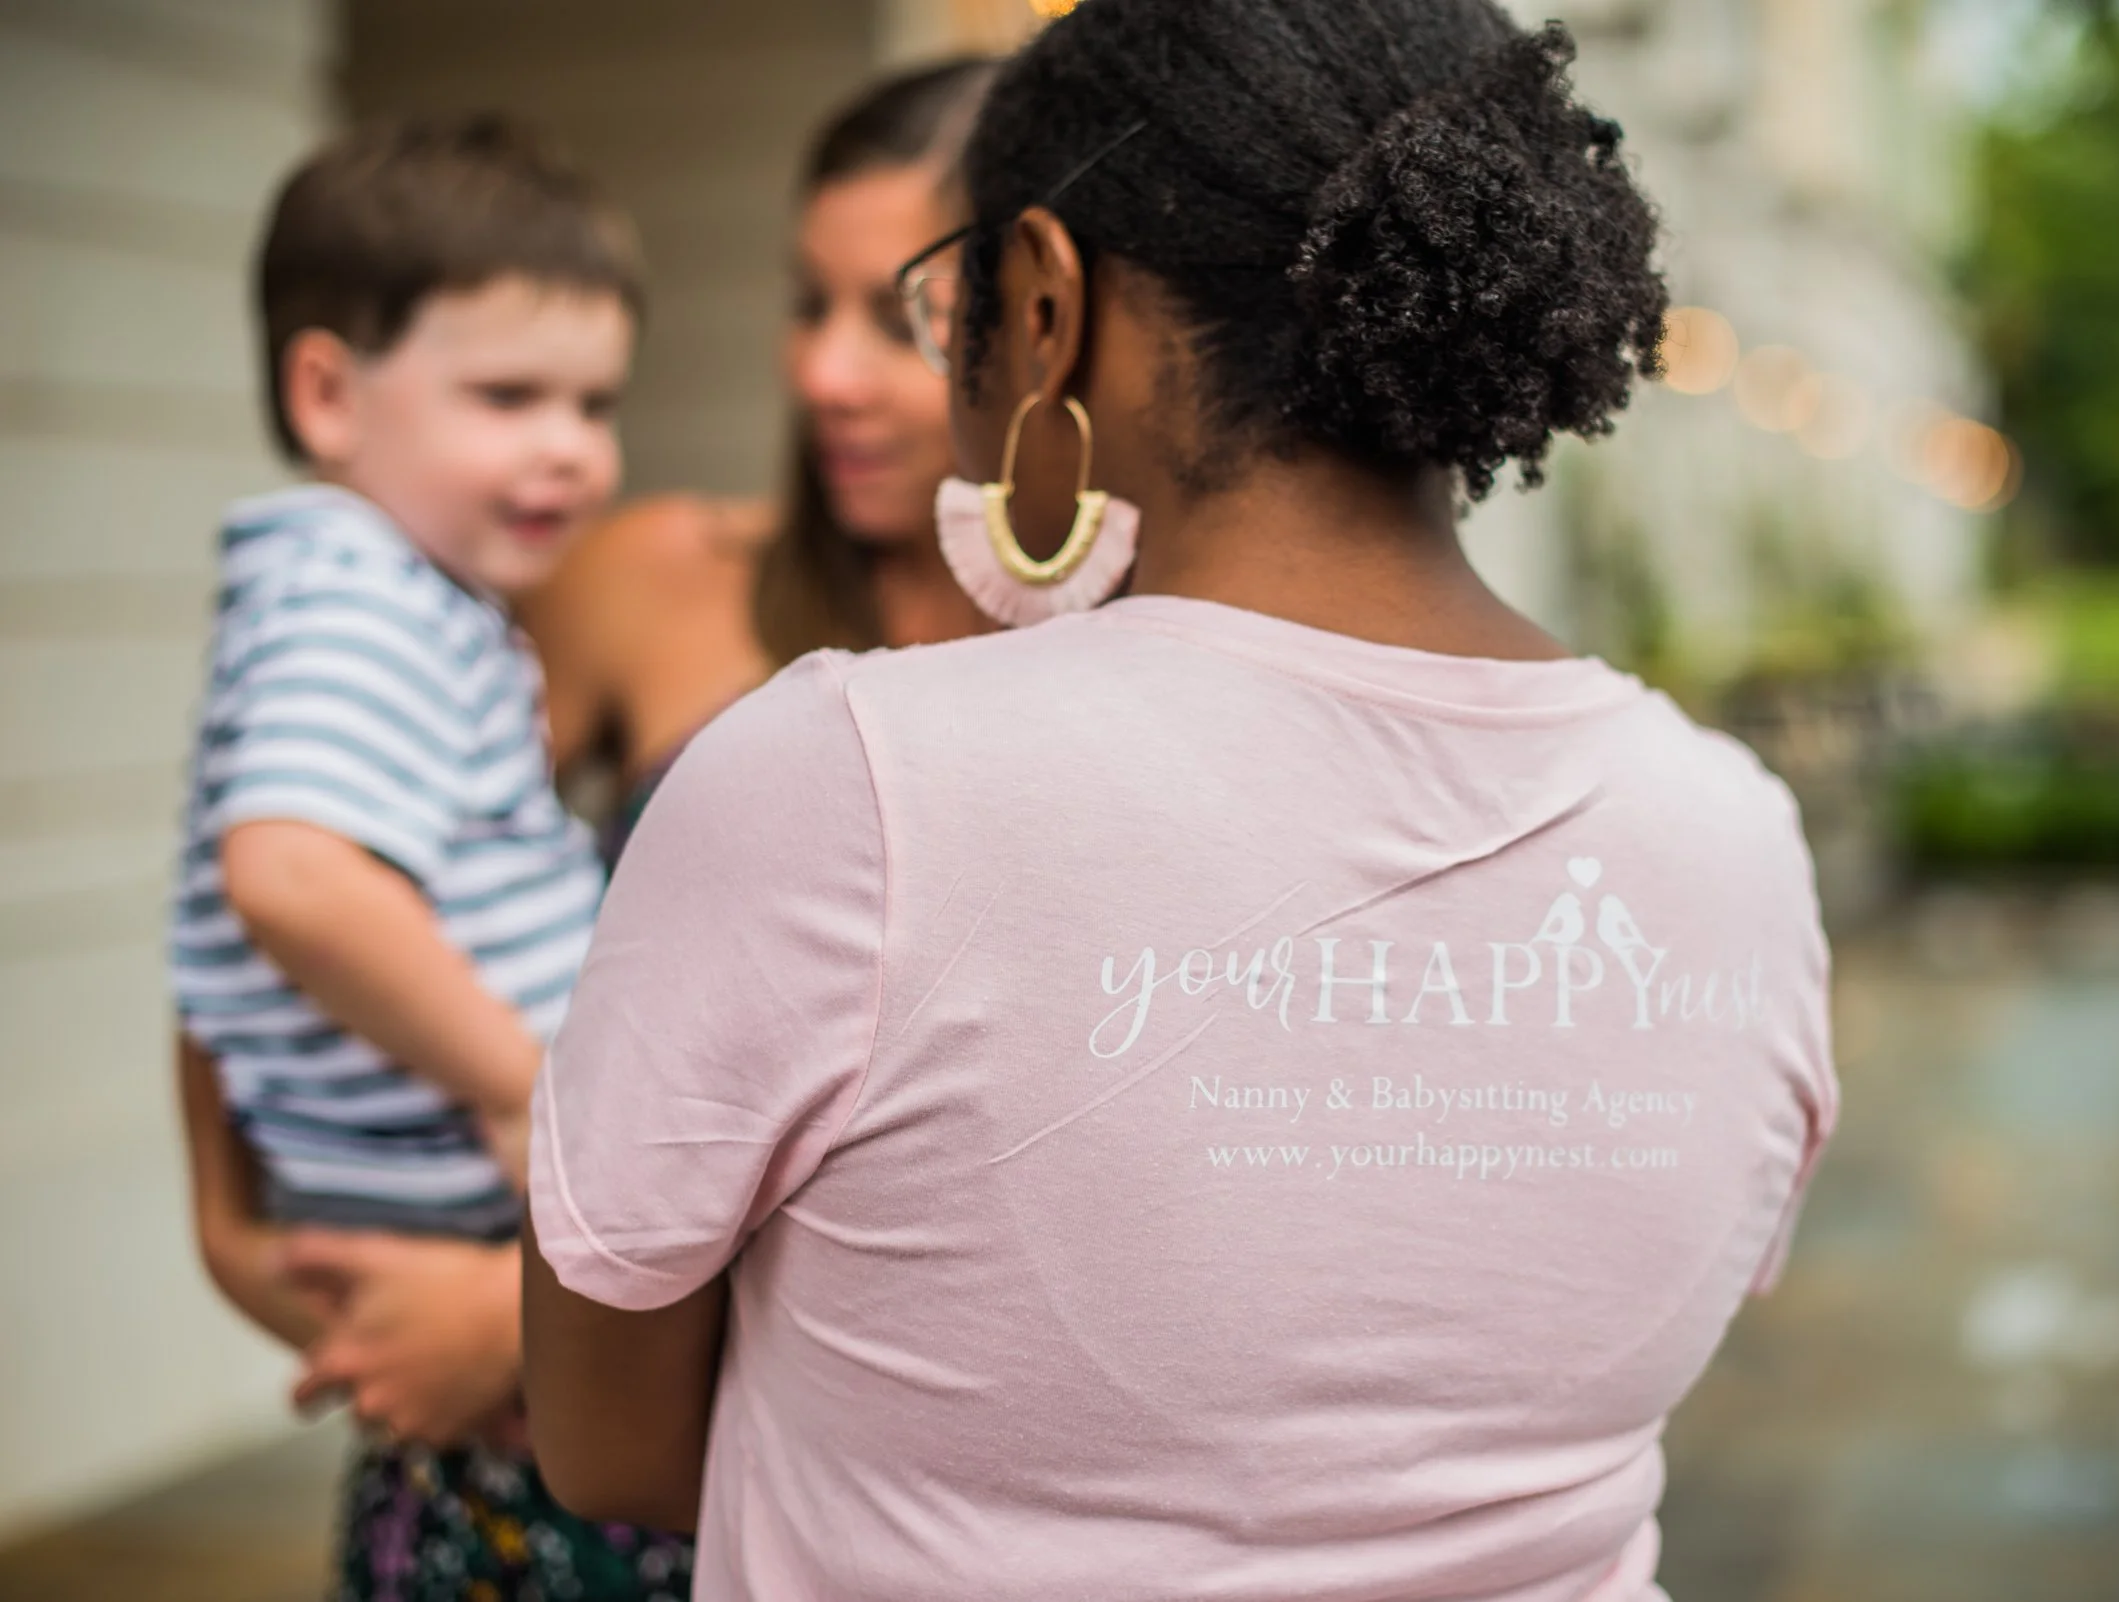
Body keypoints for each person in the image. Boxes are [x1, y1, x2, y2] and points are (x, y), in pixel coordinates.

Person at [522, 3, 1839, 1599]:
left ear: (1049, 302)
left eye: (947, 305)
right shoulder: (1738, 842)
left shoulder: (851, 777)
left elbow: (610, 1446)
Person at [169, 116, 691, 1600]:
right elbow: (290, 874)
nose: (571, 450)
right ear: (327, 392)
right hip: (460, 1168)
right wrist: (521, 1089)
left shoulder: (398, 596)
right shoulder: (359, 595)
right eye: (509, 393)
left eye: (594, 401)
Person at [516, 58, 997, 870]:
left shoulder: (1120, 653)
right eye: (809, 305)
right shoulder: (648, 573)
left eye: (897, 321)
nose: (821, 375)